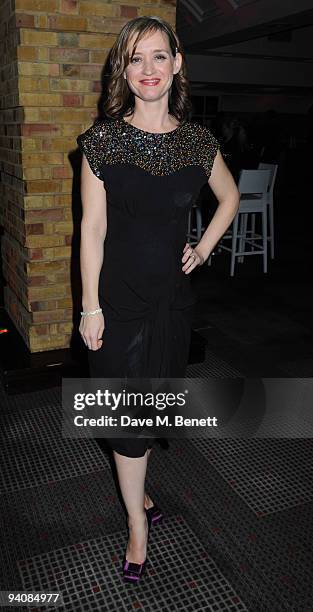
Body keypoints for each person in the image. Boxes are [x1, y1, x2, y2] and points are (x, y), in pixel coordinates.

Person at [77, 16, 239, 582]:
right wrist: (90, 306)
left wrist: (204, 249)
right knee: (125, 420)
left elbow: (230, 196)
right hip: (118, 304)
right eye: (135, 58)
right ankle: (137, 526)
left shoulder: (197, 141)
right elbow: (91, 231)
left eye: (158, 56)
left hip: (171, 303)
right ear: (124, 68)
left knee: (149, 409)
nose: (148, 69)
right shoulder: (103, 138)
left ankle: (138, 490)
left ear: (177, 64)